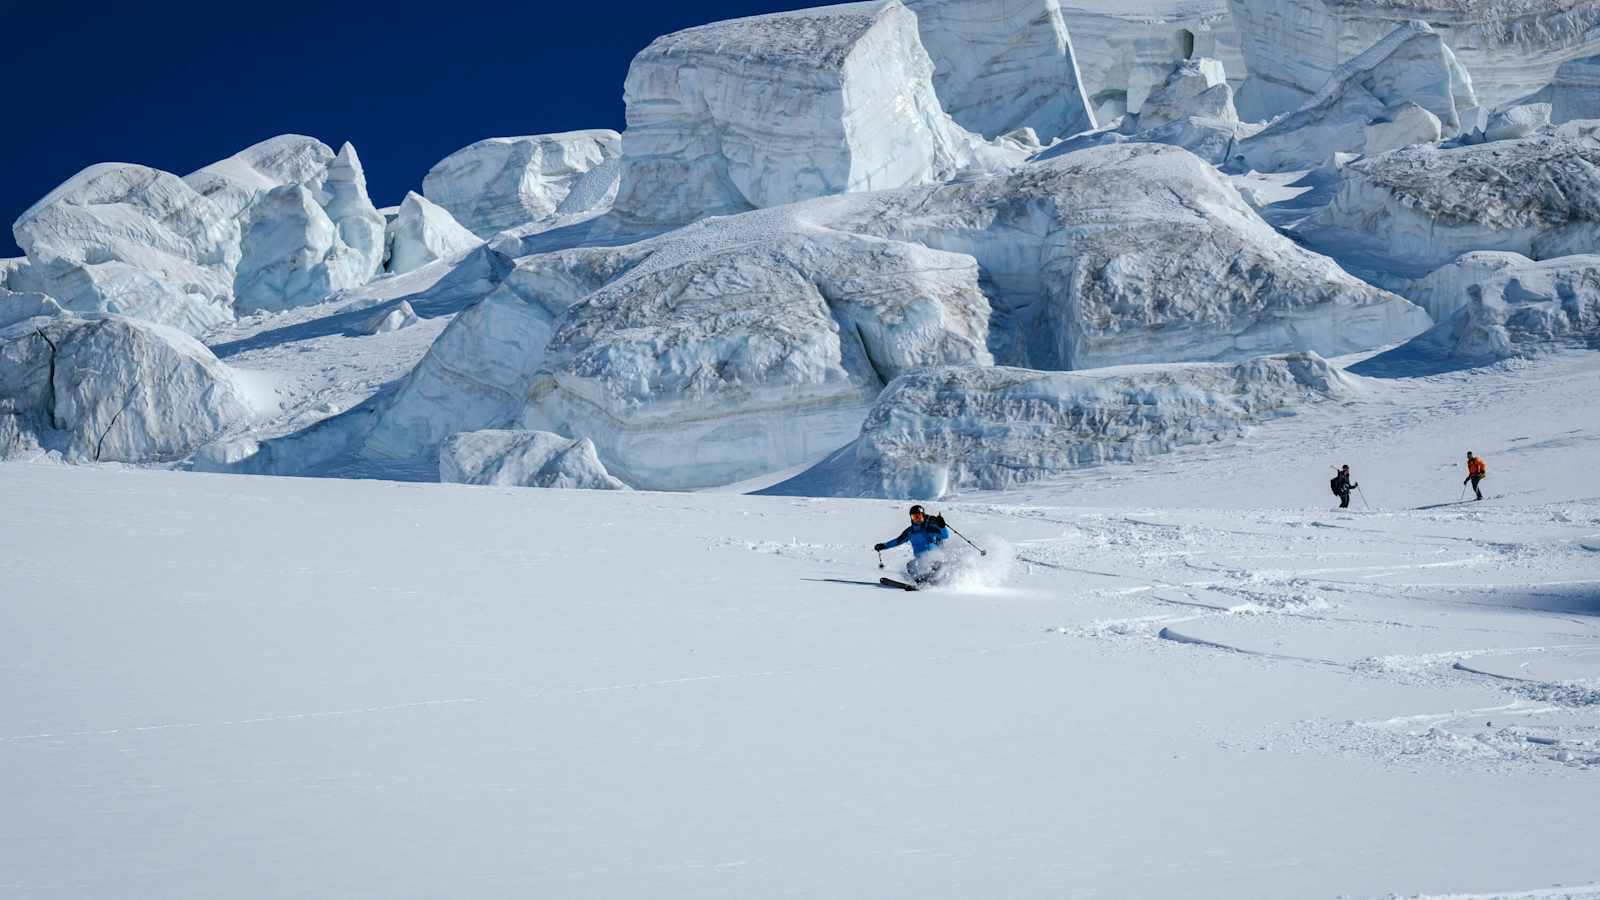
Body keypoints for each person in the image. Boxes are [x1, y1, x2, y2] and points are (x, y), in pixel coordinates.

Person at [874, 505, 950, 583]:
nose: (917, 519)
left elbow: (945, 535)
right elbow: (897, 541)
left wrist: (942, 526)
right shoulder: (910, 532)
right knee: (910, 566)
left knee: (935, 568)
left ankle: (933, 582)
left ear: (923, 516)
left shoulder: (929, 529)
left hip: (934, 559)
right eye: (914, 517)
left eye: (919, 517)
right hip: (920, 561)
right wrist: (884, 545)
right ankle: (920, 583)